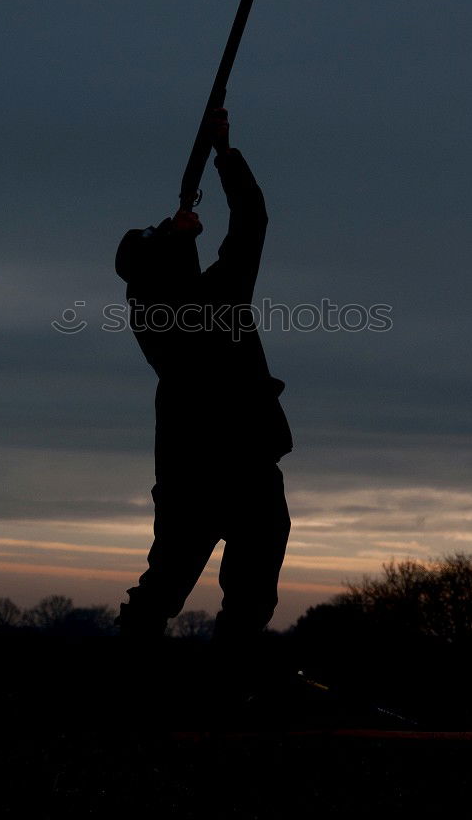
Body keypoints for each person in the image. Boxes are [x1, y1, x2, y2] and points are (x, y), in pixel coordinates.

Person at [114, 108, 292, 665]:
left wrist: (224, 154)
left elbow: (250, 220)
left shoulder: (179, 298)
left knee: (242, 592)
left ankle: (227, 684)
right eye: (161, 237)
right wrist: (220, 159)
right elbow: (250, 221)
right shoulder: (174, 308)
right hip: (202, 472)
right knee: (168, 589)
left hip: (228, 467)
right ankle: (137, 684)